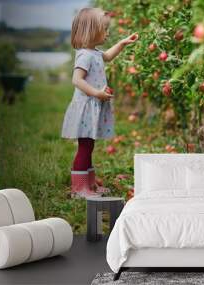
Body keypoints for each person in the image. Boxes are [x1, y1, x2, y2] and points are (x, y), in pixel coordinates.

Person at [61, 7, 138, 198]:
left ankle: (89, 184)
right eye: (104, 29)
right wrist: (96, 93)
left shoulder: (94, 53)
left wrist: (122, 43)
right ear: (91, 30)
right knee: (85, 147)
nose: (107, 33)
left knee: (89, 146)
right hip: (86, 107)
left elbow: (108, 56)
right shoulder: (85, 55)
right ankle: (79, 189)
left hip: (93, 106)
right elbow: (77, 80)